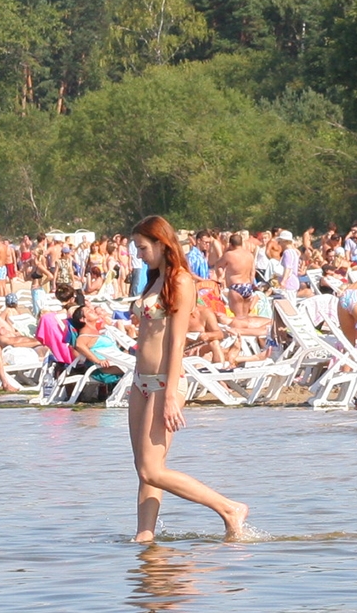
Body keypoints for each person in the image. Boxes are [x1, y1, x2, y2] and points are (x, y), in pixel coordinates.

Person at [125, 216, 247, 541]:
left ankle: (228, 507)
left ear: (162, 244)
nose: (138, 254)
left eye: (142, 247)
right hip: (140, 381)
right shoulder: (154, 279)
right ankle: (144, 537)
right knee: (145, 470)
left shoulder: (180, 281)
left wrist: (168, 395)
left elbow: (177, 341)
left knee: (153, 469)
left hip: (167, 381)